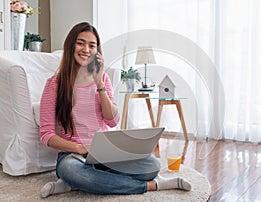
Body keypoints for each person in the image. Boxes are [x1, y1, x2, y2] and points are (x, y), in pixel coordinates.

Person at [39, 22, 192, 198]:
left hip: (105, 152)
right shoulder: (54, 84)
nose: (86, 50)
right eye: (80, 43)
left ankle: (73, 186)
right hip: (72, 155)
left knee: (151, 166)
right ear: (70, 45)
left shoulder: (103, 78)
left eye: (92, 45)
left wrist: (99, 83)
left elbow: (112, 120)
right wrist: (78, 147)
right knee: (72, 171)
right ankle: (153, 185)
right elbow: (46, 134)